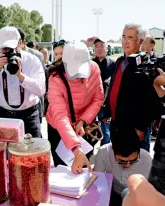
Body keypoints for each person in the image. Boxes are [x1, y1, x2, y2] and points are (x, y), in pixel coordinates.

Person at [46, 42, 103, 173]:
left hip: (84, 128)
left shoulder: (94, 68)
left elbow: (98, 98)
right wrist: (76, 149)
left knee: (83, 169)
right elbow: (60, 116)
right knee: (63, 170)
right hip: (59, 129)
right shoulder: (55, 78)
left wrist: (83, 120)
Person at [0, 26, 45, 138]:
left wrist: (21, 76)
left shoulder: (32, 60)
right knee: (3, 152)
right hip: (3, 114)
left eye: (12, 47)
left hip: (29, 115)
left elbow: (41, 90)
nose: (9, 52)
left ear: (20, 43)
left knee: (31, 153)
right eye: (5, 48)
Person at [104, 23, 154, 152]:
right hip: (117, 123)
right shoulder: (120, 61)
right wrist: (108, 111)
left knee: (135, 165)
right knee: (117, 162)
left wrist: (141, 126)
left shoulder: (145, 65)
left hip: (134, 127)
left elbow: (147, 99)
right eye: (123, 37)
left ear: (140, 41)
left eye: (130, 38)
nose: (125, 41)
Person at [94, 129, 152, 206]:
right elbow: (97, 180)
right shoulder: (104, 152)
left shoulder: (147, 159)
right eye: (122, 161)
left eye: (133, 160)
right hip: (113, 194)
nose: (128, 165)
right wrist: (105, 205)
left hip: (138, 198)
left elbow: (152, 192)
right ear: (112, 149)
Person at [86, 37, 116, 146]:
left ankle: (105, 152)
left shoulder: (114, 64)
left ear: (107, 48)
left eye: (102, 46)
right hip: (91, 102)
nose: (99, 49)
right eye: (96, 46)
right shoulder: (89, 64)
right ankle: (89, 151)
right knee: (90, 128)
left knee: (106, 131)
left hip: (106, 104)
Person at [17, 28, 46, 124]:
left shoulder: (37, 56)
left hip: (32, 106)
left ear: (22, 42)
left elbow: (41, 81)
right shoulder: (5, 54)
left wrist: (40, 111)